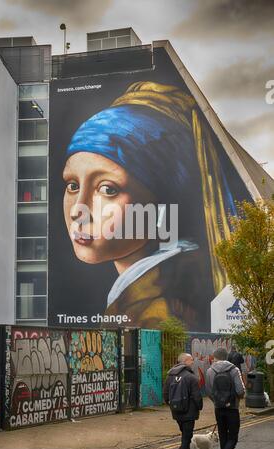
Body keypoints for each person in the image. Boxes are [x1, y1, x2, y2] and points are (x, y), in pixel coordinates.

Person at [62, 81, 250, 330]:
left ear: (162, 199)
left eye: (108, 189)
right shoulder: (168, 280)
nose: (78, 209)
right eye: (73, 185)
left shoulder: (157, 310)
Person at [206, 347, 245, 449]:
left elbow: (209, 391)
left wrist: (217, 401)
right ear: (227, 357)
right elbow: (240, 390)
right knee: (233, 438)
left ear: (215, 357)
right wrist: (237, 399)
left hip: (218, 407)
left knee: (222, 436)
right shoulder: (234, 369)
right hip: (232, 407)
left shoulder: (210, 370)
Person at [163, 353, 203, 449]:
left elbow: (165, 394)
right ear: (185, 361)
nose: (193, 362)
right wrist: (199, 407)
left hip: (176, 411)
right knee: (186, 438)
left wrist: (171, 404)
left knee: (185, 435)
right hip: (189, 412)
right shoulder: (191, 377)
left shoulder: (170, 376)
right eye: (191, 360)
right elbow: (197, 396)